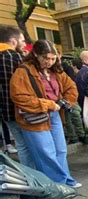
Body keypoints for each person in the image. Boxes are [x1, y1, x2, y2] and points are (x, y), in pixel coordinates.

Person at [10, 40, 81, 187]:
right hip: (35, 118)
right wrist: (48, 104)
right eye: (45, 58)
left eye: (52, 58)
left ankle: (65, 180)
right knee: (46, 154)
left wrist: (66, 102)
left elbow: (71, 87)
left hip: (54, 114)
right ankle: (57, 185)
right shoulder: (23, 71)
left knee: (61, 150)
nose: (49, 62)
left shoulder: (57, 71)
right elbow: (19, 97)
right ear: (35, 55)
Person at [0, 25, 34, 166]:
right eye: (22, 40)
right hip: (23, 109)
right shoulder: (16, 57)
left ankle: (28, 177)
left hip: (5, 111)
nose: (24, 44)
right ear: (13, 41)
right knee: (30, 146)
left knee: (21, 145)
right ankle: (35, 177)